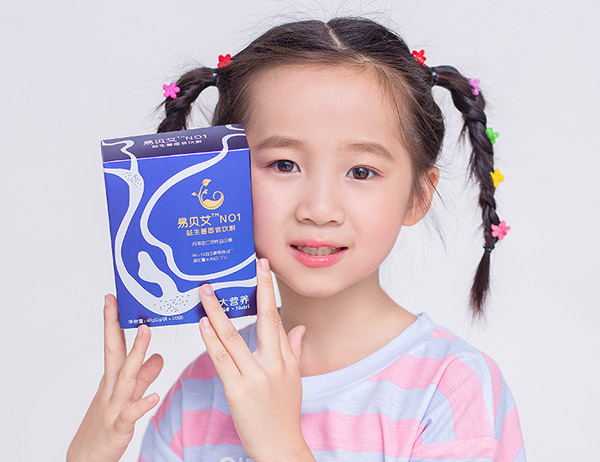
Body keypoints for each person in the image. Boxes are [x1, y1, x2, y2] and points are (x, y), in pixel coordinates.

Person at [68, 16, 526, 462]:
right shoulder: (199, 393)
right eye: (284, 165)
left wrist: (280, 446)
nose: (319, 209)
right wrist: (88, 455)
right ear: (226, 178)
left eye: (361, 171)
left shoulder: (450, 389)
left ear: (417, 196)